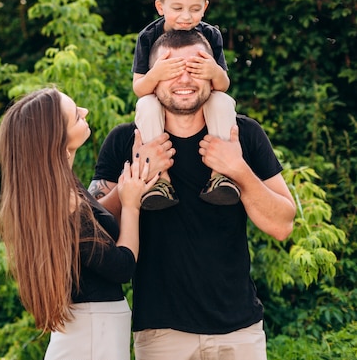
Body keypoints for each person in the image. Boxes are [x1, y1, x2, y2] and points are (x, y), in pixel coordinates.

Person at [89, 30, 296, 360]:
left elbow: (283, 225)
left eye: (196, 68)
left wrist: (238, 170)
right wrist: (140, 175)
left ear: (213, 76)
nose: (183, 79)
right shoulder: (124, 141)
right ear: (151, 80)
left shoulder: (244, 135)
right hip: (161, 333)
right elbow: (93, 234)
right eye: (170, 69)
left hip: (239, 331)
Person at [0, 87, 162, 359]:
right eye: (75, 116)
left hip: (91, 332)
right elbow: (121, 267)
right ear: (55, 141)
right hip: (93, 335)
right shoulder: (64, 201)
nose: (84, 112)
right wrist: (131, 205)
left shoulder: (56, 193)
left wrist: (127, 184)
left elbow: (95, 223)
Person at [132, 0, 239, 210]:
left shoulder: (210, 35)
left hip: (199, 101)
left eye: (194, 8)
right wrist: (157, 74)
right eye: (177, 8)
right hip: (163, 100)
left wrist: (214, 70)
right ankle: (161, 180)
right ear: (160, 6)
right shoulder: (148, 36)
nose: (186, 16)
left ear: (205, 7)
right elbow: (139, 88)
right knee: (146, 105)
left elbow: (222, 84)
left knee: (222, 101)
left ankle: (220, 174)